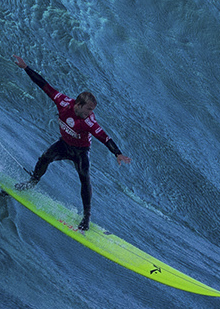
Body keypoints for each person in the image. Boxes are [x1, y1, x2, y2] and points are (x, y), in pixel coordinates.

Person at [12, 54, 131, 231]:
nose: (91, 113)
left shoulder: (89, 122)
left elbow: (105, 138)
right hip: (64, 144)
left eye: (92, 110)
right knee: (45, 158)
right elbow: (44, 85)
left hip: (81, 151)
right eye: (88, 109)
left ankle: (86, 217)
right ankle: (31, 183)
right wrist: (26, 68)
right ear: (78, 104)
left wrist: (117, 153)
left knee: (84, 177)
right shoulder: (63, 102)